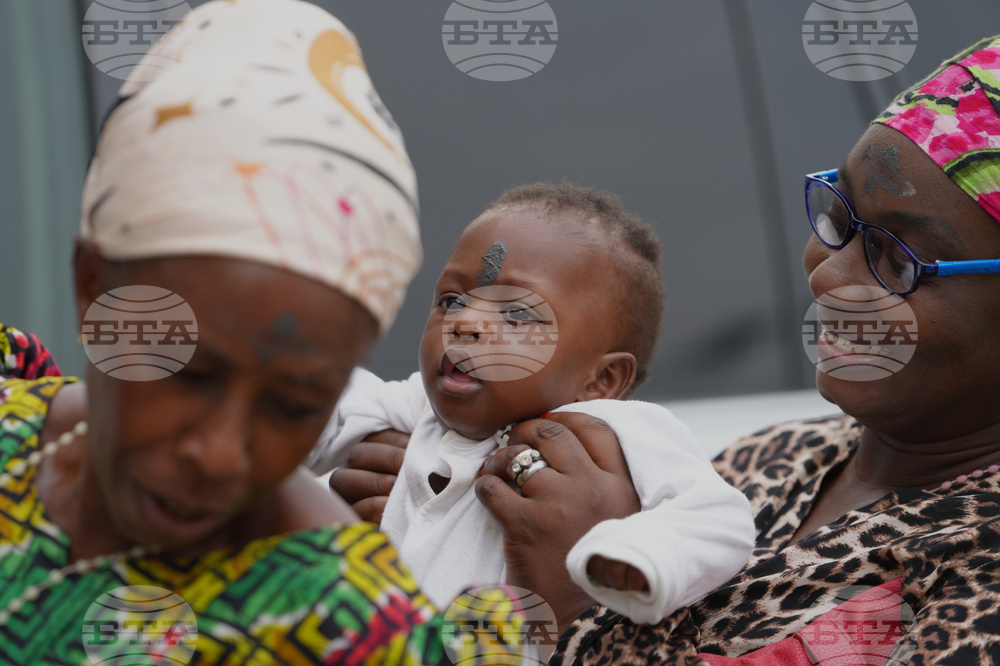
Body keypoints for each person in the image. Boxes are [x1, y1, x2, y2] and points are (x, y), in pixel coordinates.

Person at [335, 35, 1000, 664]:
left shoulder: (977, 573)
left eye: (897, 257)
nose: (827, 272)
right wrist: (439, 504)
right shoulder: (779, 457)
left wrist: (576, 601)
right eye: (839, 215)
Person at [0, 1, 525, 663]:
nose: (219, 454)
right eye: (190, 373)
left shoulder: (339, 626)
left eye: (292, 406)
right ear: (93, 288)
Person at [309, 183, 755, 622]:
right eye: (451, 300)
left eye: (517, 313)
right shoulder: (422, 406)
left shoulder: (617, 431)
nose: (464, 322)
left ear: (601, 379)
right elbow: (323, 406)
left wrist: (634, 557)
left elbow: (717, 518)